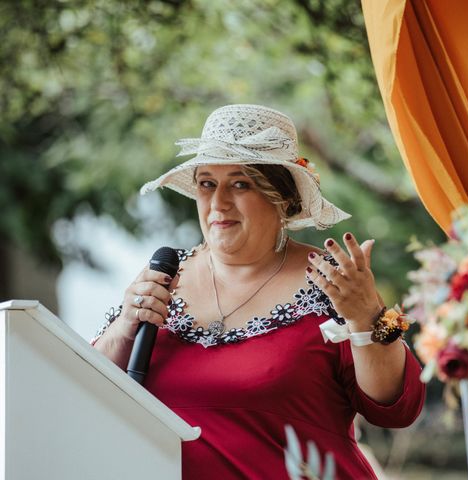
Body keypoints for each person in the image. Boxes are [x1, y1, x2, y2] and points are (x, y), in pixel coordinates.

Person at [91, 104, 425, 479]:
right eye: (206, 183)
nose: (218, 203)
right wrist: (124, 326)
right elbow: (83, 390)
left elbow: (397, 407)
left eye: (240, 183)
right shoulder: (161, 277)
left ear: (282, 196)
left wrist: (368, 319)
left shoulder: (334, 280)